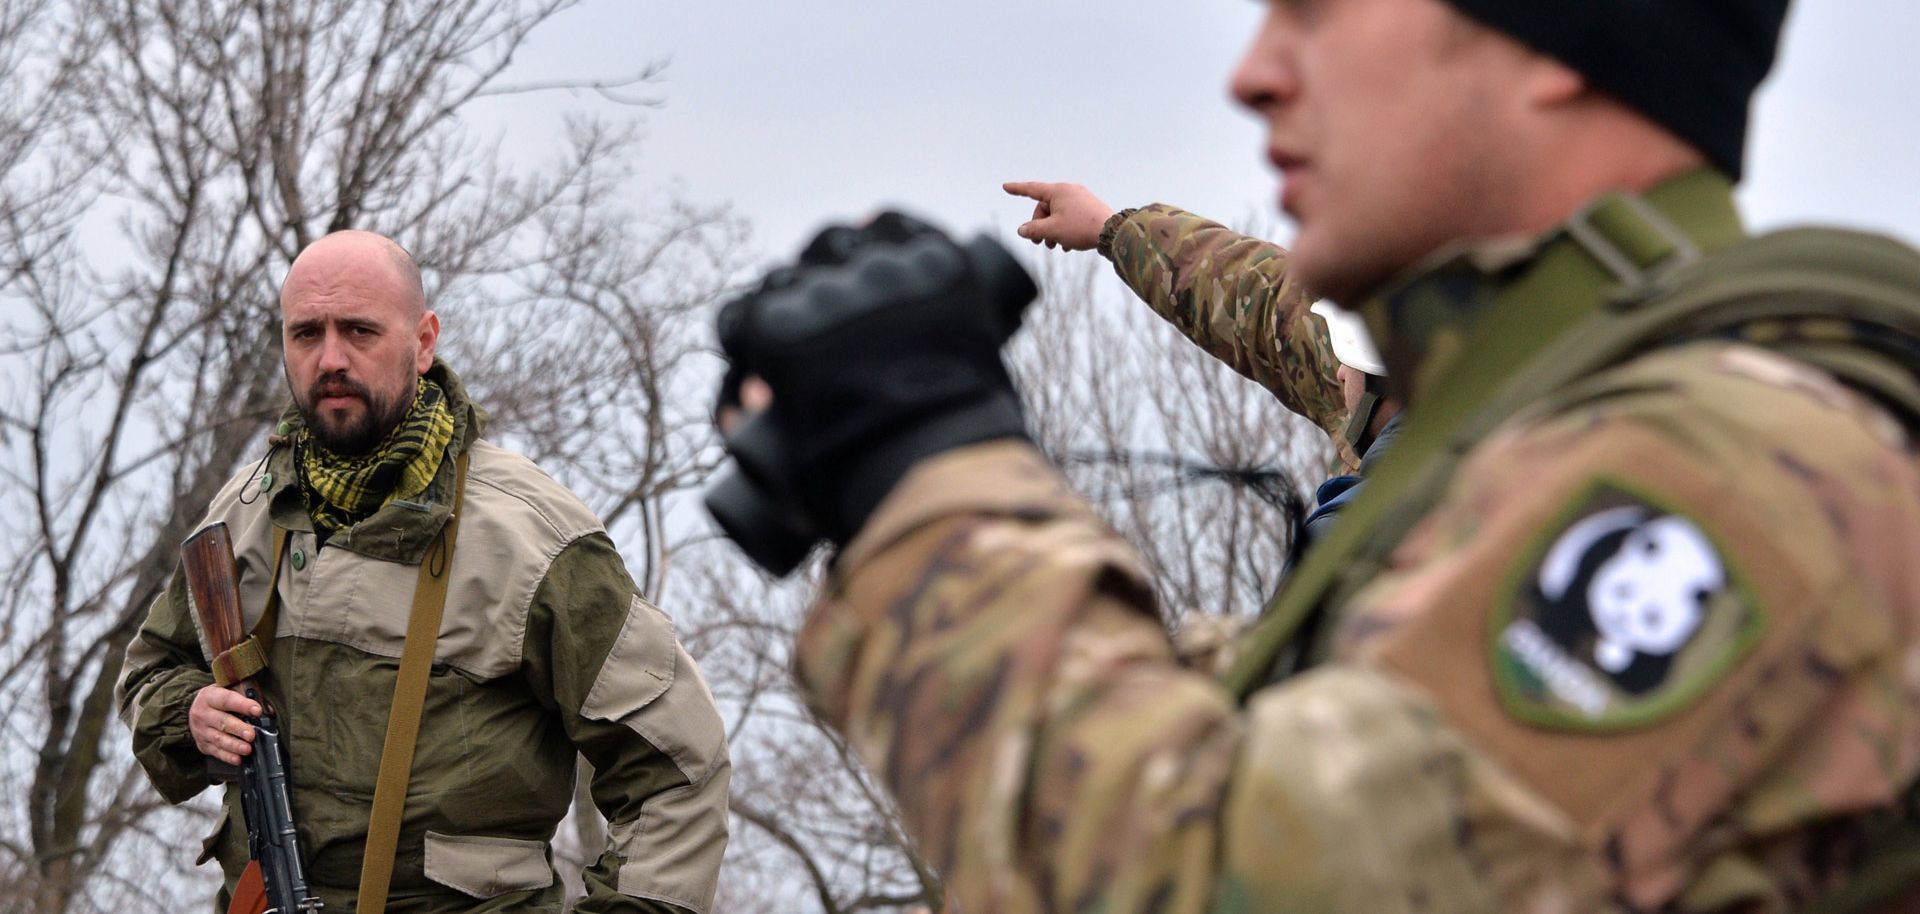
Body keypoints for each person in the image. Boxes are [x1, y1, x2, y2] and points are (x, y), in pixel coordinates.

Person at [708, 0, 1920, 911]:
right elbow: (1292, 739)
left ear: (1555, 50)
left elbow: (1236, 874)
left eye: (1320, 11)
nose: (1253, 74)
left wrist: (931, 479)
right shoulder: (1529, 431)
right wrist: (884, 485)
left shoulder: (1734, 468)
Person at [117, 231, 730, 913]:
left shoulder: (531, 537)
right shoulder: (244, 514)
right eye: (306, 334)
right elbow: (151, 671)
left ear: (424, 339)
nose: (331, 359)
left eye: (359, 330)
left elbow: (678, 768)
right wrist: (191, 716)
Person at [1001, 182, 1403, 539]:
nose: (1336, 368)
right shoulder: (1398, 340)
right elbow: (1250, 296)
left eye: (1346, 355)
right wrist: (1114, 229)